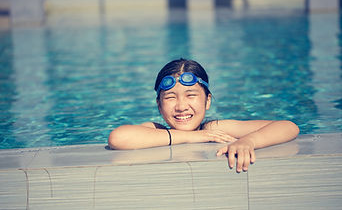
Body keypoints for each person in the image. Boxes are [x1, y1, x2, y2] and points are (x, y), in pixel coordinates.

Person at [108, 58, 299, 172]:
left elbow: (289, 126)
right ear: (159, 105)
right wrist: (192, 136)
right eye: (171, 97)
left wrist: (248, 142)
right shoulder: (156, 130)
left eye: (191, 95)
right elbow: (118, 138)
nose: (181, 106)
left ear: (207, 101)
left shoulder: (213, 129)